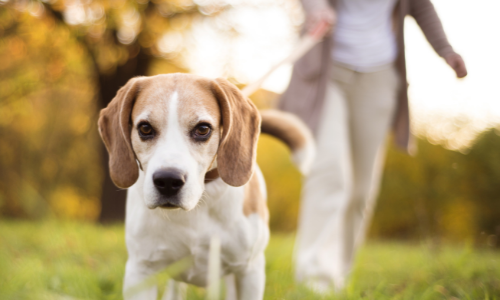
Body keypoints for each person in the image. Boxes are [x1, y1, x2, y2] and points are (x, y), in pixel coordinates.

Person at [279, 0, 467, 293]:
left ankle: (337, 275)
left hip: (379, 76)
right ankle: (314, 279)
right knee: (330, 171)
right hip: (327, 70)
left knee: (361, 188)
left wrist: (446, 50)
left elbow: (422, 6)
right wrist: (316, 6)